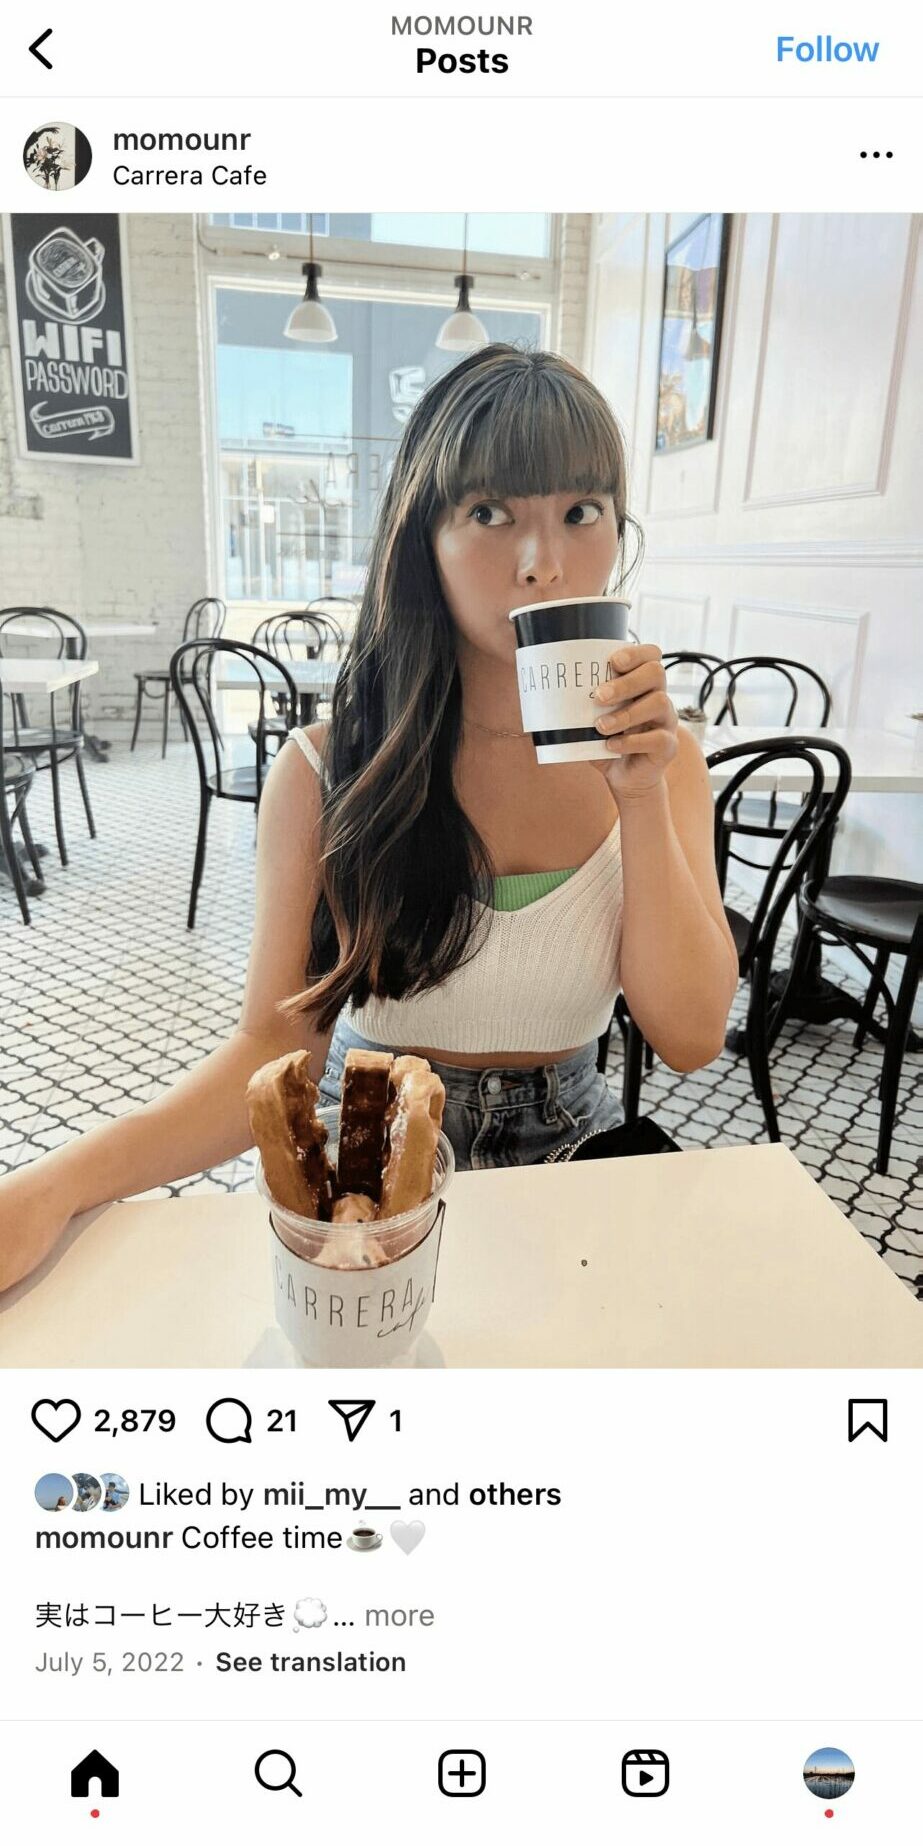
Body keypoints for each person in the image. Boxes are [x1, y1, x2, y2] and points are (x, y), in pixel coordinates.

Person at [0, 345, 737, 1289]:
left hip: (571, 1155)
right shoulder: (324, 770)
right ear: (422, 536)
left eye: (580, 511)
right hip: (368, 1158)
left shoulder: (662, 767)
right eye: (489, 513)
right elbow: (274, 1048)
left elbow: (689, 1036)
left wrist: (637, 793)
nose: (544, 563)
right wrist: (55, 1186)